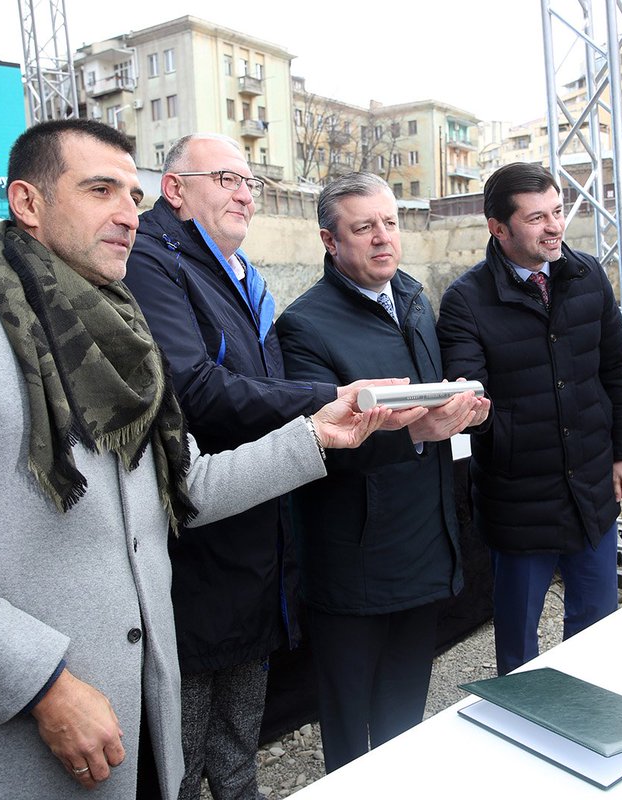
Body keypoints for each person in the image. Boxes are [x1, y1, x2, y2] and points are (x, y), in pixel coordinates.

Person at [0, 120, 393, 800]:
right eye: (100, 190)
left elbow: (185, 485)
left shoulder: (123, 341)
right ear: (28, 203)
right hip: (13, 749)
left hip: (136, 724)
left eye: (133, 196)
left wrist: (315, 436)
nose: (128, 215)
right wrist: (43, 684)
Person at [122, 134, 401, 799]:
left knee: (238, 747)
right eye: (226, 177)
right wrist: (329, 400)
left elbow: (254, 392)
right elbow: (193, 388)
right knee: (182, 764)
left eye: (252, 182)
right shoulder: (153, 263)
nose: (246, 192)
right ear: (175, 188)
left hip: (253, 542)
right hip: (198, 545)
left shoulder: (236, 274)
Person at [274, 172, 489, 772]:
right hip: (353, 559)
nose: (382, 238)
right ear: (329, 241)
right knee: (347, 726)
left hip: (423, 542)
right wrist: (420, 432)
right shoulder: (304, 326)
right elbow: (317, 447)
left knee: (403, 718)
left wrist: (458, 412)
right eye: (363, 227)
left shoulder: (416, 301)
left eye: (389, 223)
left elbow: (427, 407)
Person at [436, 162, 622, 677]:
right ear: (498, 228)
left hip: (591, 487)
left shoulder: (588, 274)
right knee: (517, 639)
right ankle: (523, 728)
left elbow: (616, 369)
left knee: (597, 626)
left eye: (557, 212)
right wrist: (481, 419)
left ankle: (591, 720)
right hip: (518, 496)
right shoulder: (465, 301)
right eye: (536, 218)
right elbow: (470, 393)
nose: (554, 227)